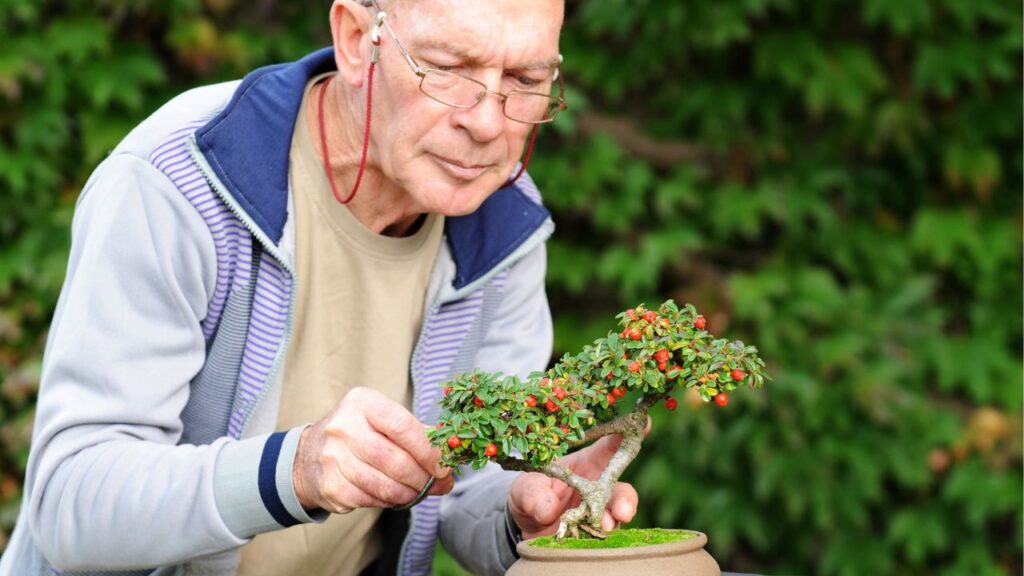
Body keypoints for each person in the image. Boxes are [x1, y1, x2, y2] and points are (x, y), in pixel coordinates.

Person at [0, 1, 643, 575]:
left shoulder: (506, 221)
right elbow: (71, 502)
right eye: (449, 67)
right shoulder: (178, 179)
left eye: (527, 81)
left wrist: (519, 511)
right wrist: (296, 469)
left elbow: (467, 487)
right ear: (357, 39)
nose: (487, 123)